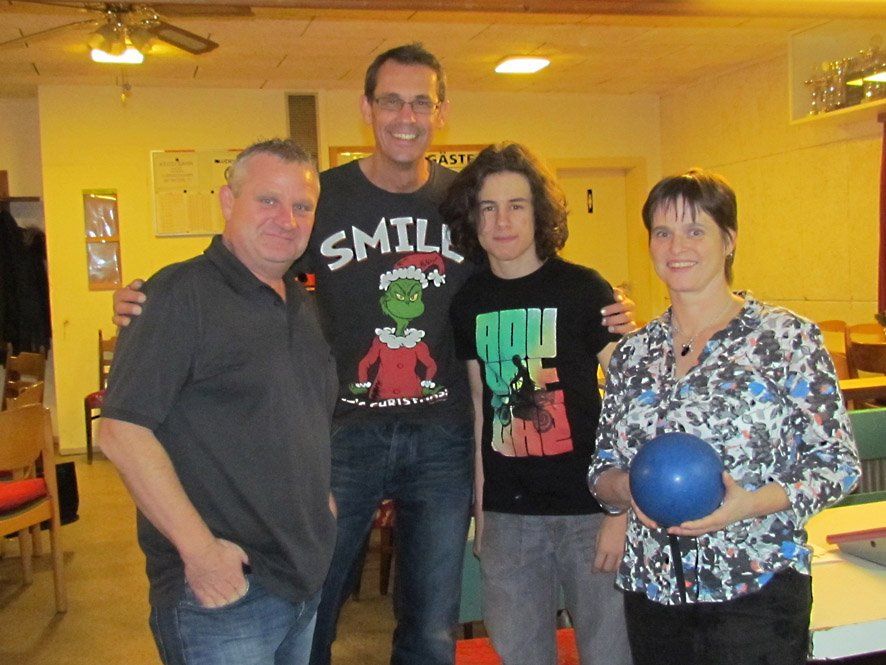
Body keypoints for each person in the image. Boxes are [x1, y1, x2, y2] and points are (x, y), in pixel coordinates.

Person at [112, 44, 636, 665]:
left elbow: (517, 274)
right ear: (366, 109)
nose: (405, 117)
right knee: (314, 602)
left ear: (441, 112)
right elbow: (253, 257)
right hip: (343, 433)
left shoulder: (462, 201)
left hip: (442, 436)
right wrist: (147, 297)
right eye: (391, 101)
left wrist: (602, 306)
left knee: (432, 623)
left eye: (421, 102)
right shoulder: (322, 197)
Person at [587, 168, 861, 665]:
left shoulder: (785, 339)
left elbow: (837, 464)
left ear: (729, 240)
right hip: (654, 592)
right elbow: (602, 468)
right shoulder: (632, 354)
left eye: (695, 230)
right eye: (663, 232)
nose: (677, 247)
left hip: (755, 590)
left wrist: (749, 504)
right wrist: (625, 490)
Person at [100, 139, 337, 665]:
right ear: (229, 202)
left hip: (301, 582)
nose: (286, 219)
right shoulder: (178, 296)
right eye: (267, 200)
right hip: (224, 595)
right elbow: (121, 433)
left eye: (301, 206)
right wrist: (201, 552)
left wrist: (321, 501)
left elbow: (301, 414)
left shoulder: (302, 304)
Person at [444, 142, 631, 665]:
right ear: (473, 219)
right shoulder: (469, 302)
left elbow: (631, 400)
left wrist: (621, 512)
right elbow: (481, 411)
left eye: (517, 205)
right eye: (488, 207)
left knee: (611, 654)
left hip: (589, 512)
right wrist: (482, 512)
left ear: (539, 214)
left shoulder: (583, 288)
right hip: (509, 519)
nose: (502, 221)